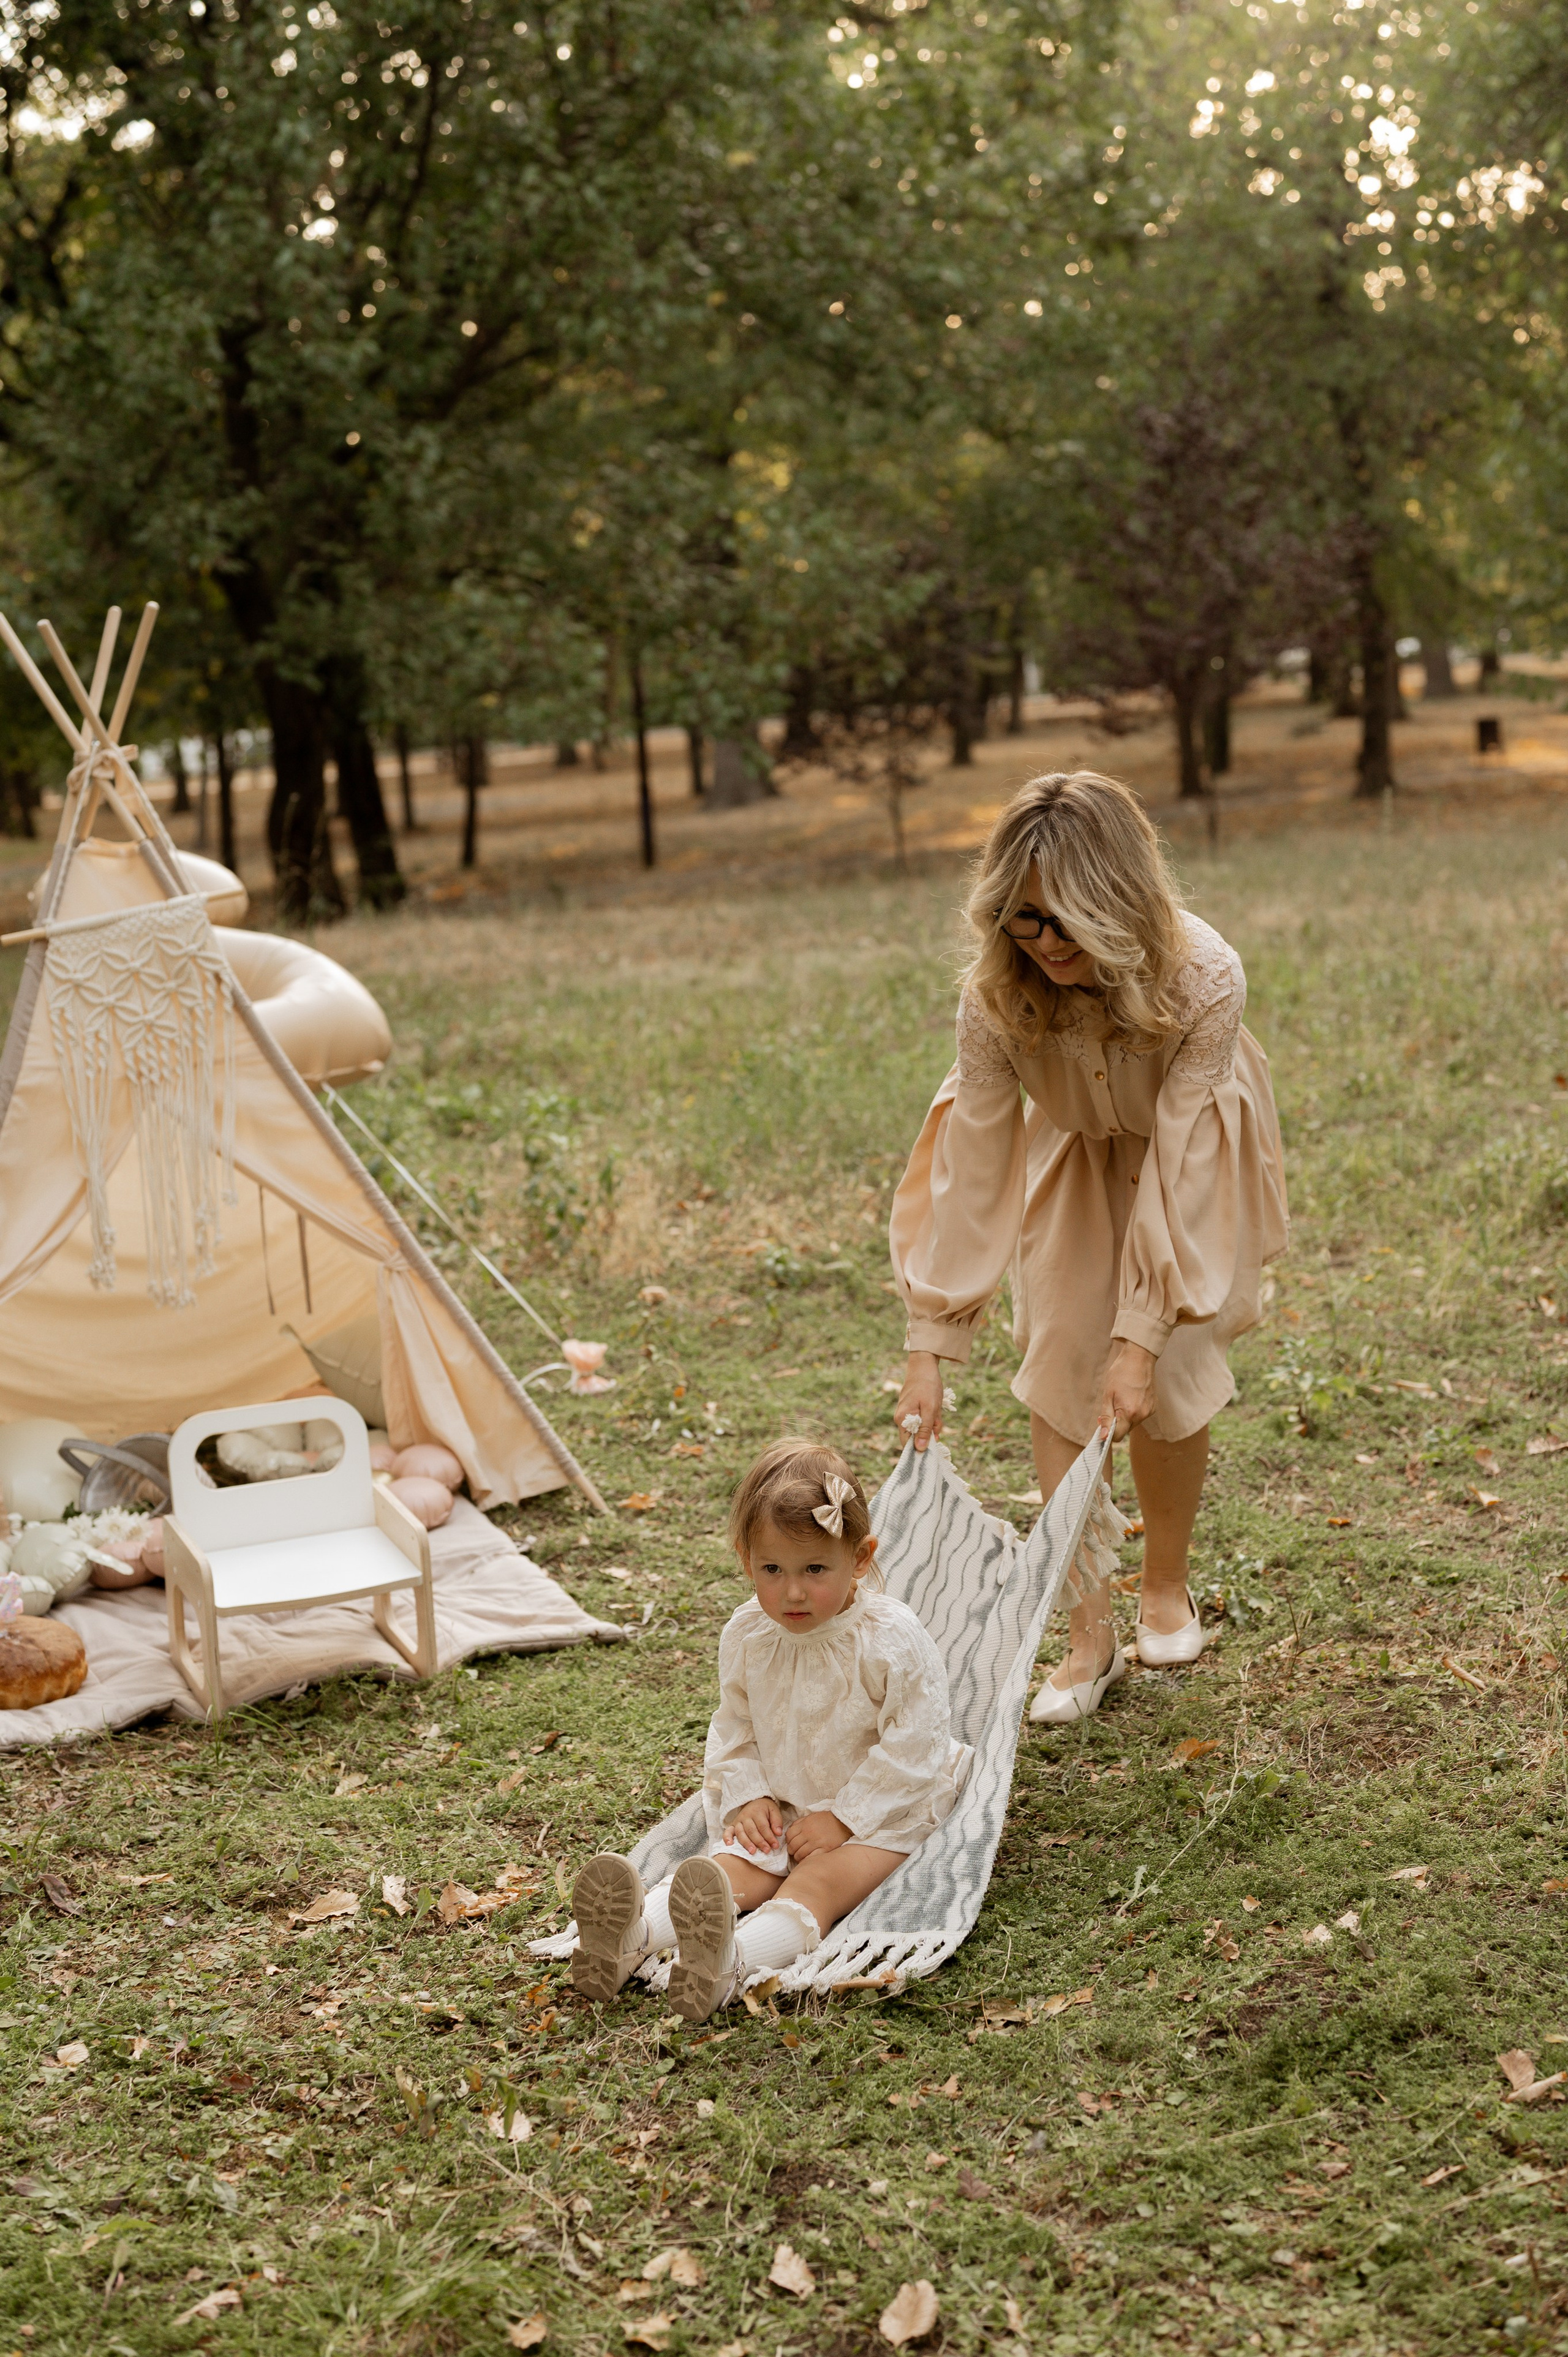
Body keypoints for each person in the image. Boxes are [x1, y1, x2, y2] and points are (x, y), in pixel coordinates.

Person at [890, 771, 1287, 1722]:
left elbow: (1186, 1160)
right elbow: (973, 1158)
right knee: (1063, 1362)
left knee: (1170, 1378)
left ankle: (1164, 1584)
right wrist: (930, 1343)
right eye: (1025, 923)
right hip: (1074, 1148)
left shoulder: (1202, 974)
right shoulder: (996, 994)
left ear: (1119, 902)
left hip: (1189, 1150)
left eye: (1067, 921)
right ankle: (1087, 1630)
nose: (1048, 945)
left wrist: (1143, 1332)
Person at [569, 1438, 971, 2021]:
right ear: (745, 1560)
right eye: (772, 1570)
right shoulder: (749, 1634)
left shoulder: (889, 1639)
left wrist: (845, 1818)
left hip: (885, 1811)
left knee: (819, 1882)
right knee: (732, 1866)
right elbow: (735, 1726)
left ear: (860, 1558)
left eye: (815, 1569)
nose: (793, 1591)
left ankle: (730, 1962)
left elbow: (918, 1743)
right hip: (787, 1801)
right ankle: (632, 1935)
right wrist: (750, 1793)